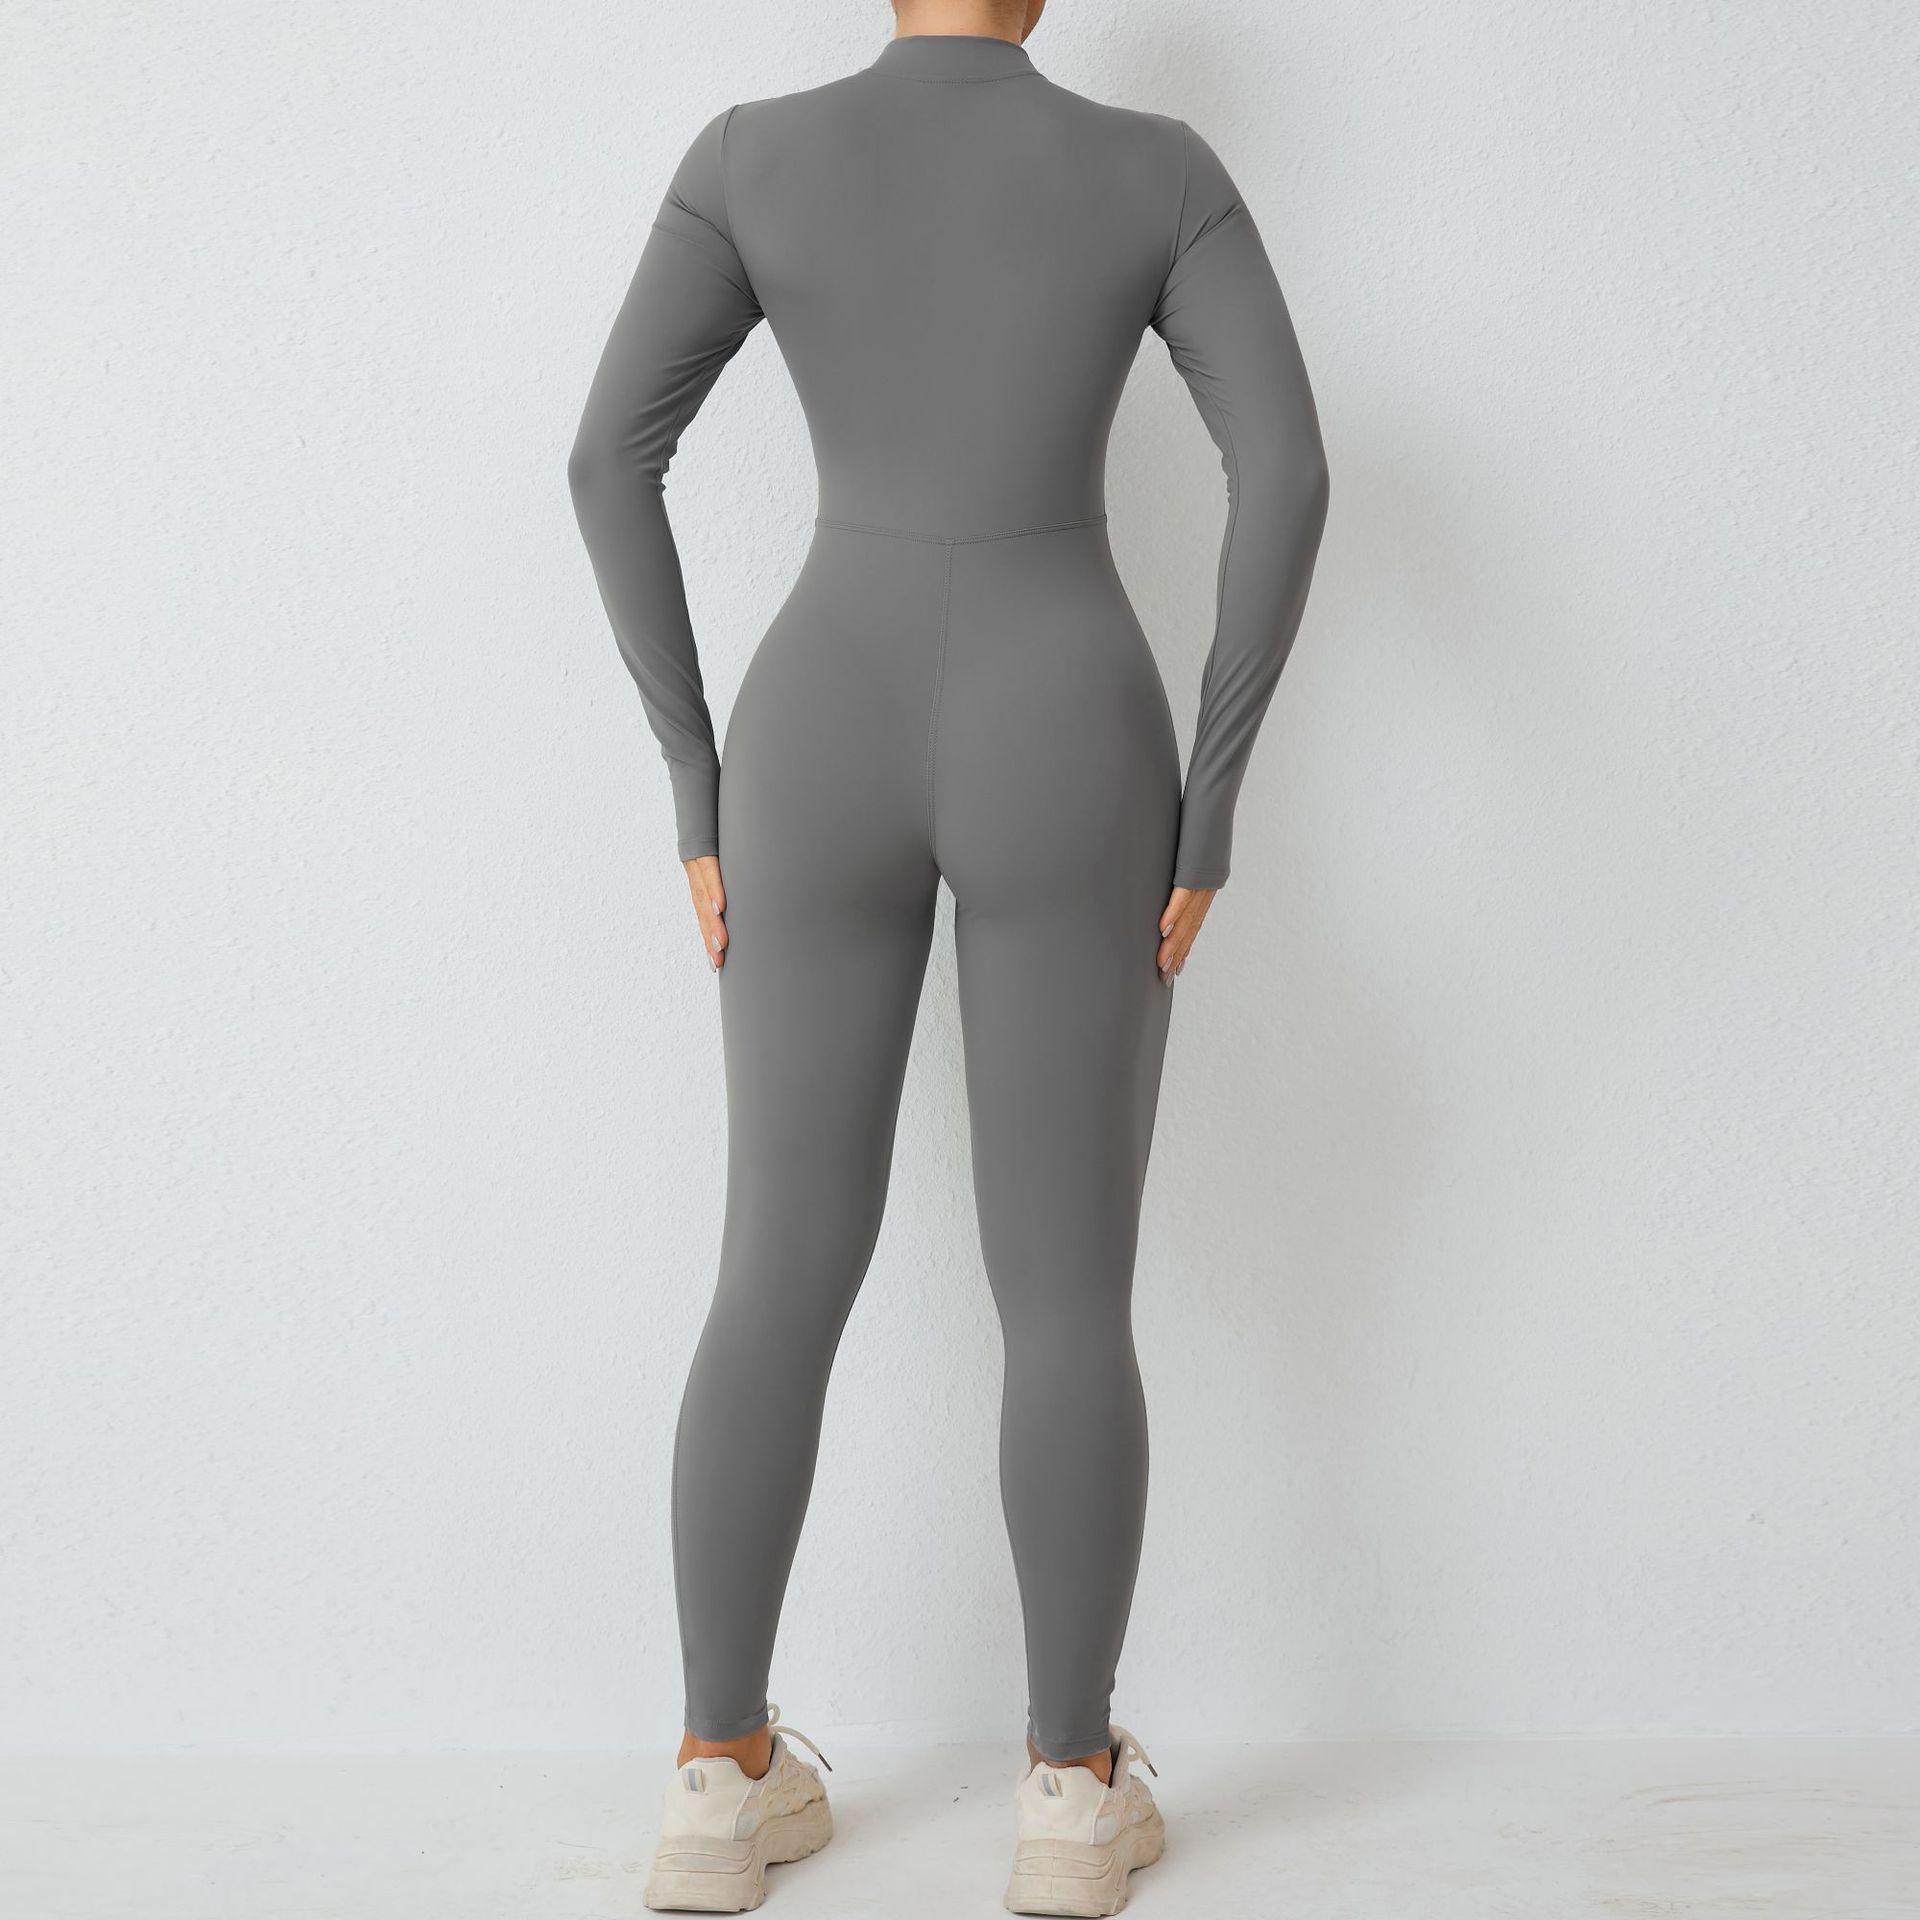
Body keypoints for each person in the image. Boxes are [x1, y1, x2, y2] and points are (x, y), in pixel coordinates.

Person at [567, 1, 1327, 1909]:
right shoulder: (1156, 172)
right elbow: (1291, 473)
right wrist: (1214, 795)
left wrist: (695, 775)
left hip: (814, 731)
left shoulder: (751, 156)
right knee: (1065, 1294)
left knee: (775, 1268)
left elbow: (604, 461)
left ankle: (715, 1783)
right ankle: (1070, 1794)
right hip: (1070, 727)